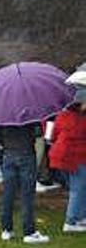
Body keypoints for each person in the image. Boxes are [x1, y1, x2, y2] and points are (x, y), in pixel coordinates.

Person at [0, 122, 50, 244]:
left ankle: (6, 230)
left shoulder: (4, 117)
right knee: (27, 195)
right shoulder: (29, 116)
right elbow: (38, 134)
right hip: (26, 153)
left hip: (9, 154)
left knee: (8, 194)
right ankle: (29, 231)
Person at [49, 88, 86, 233]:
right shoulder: (81, 119)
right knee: (78, 188)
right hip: (75, 157)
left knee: (79, 188)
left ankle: (80, 216)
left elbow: (53, 135)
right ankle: (71, 221)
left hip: (60, 157)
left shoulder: (63, 115)